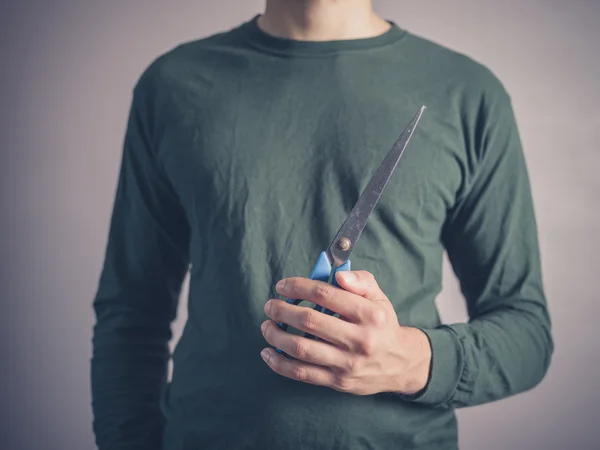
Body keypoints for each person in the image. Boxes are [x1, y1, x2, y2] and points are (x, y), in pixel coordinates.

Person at [90, 1, 554, 449]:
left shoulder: (467, 93)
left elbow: (526, 334)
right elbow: (130, 313)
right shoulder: (172, 86)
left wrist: (409, 361)